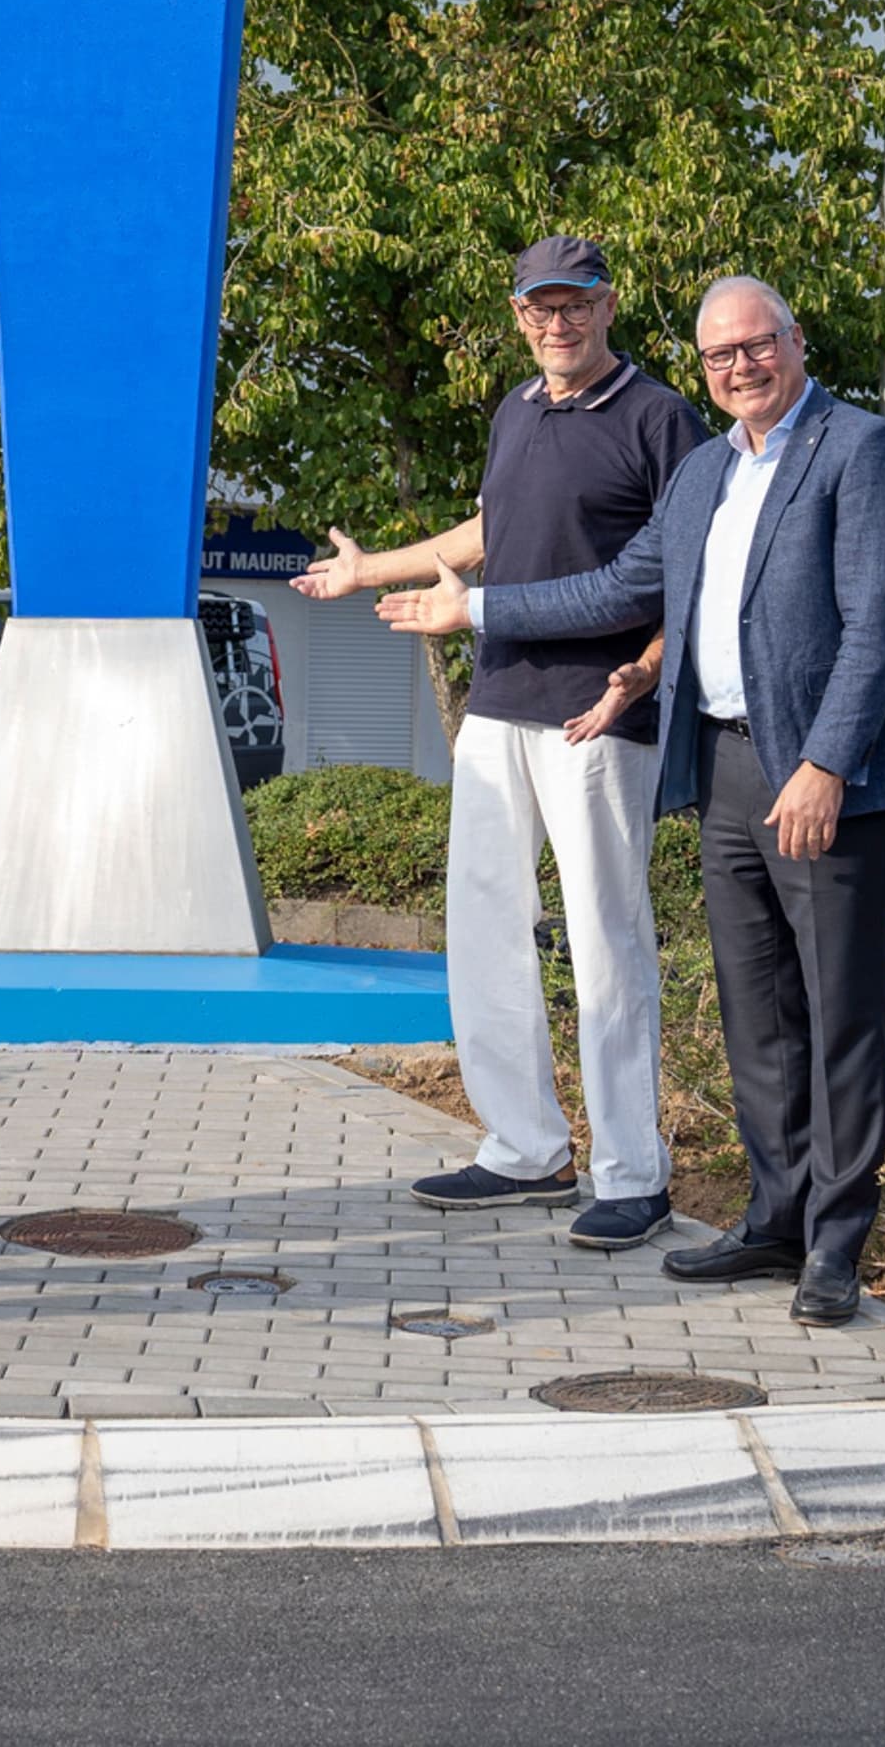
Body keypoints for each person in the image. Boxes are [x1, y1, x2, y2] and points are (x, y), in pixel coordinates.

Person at [380, 276, 885, 1328]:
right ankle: (774, 1217)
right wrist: (477, 606)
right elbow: (621, 585)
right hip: (721, 766)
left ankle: (835, 1245)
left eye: (757, 347)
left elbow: (878, 624)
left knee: (840, 1014)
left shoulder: (860, 451)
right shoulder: (709, 470)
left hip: (818, 775)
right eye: (720, 356)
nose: (740, 369)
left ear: (796, 340)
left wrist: (826, 763)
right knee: (757, 1014)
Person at [292, 235, 702, 1249]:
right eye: (537, 309)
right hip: (500, 702)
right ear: (519, 317)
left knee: (605, 940)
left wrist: (647, 667)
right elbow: (484, 537)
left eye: (573, 305)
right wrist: (371, 571)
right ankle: (525, 1150)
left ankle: (632, 1173)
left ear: (608, 307)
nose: (555, 324)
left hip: (598, 715)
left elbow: (684, 567)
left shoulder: (662, 420)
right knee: (482, 928)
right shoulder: (515, 413)